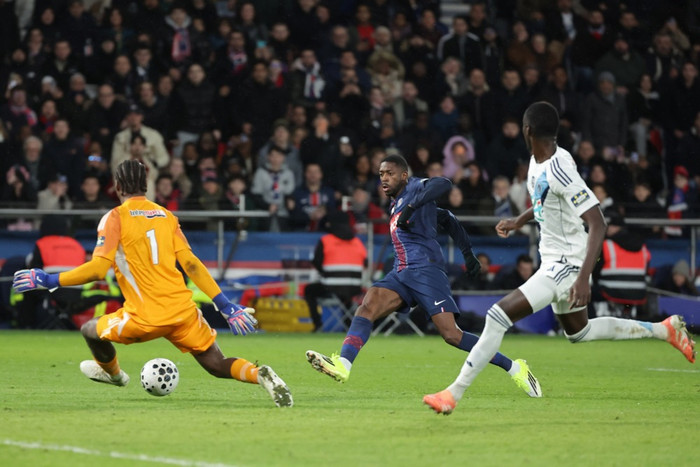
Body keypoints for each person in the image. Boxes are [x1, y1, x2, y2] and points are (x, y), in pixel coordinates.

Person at [423, 102, 696, 415]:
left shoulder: (560, 168)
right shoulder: (539, 161)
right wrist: (518, 221)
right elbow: (545, 200)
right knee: (580, 332)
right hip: (555, 260)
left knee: (497, 316)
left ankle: (453, 393)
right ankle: (665, 329)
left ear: (527, 130)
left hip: (567, 264)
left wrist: (583, 278)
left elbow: (597, 222)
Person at [12, 160, 292, 408]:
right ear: (146, 185)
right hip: (182, 311)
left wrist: (49, 279)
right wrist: (225, 305)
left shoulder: (115, 217)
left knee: (90, 331)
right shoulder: (166, 216)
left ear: (117, 186)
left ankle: (114, 376)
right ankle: (260, 374)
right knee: (217, 364)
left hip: (143, 317)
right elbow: (191, 264)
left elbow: (97, 270)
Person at [305, 154, 541, 397]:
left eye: (390, 174)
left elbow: (444, 183)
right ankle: (343, 365)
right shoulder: (395, 204)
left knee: (452, 335)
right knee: (367, 306)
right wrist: (467, 252)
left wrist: (464, 249)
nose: (384, 178)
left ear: (404, 176)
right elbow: (446, 218)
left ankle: (514, 367)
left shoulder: (416, 187)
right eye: (381, 174)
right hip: (401, 273)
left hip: (426, 271)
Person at [304, 212, 367, 332]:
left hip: (331, 287)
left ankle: (317, 325)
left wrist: (325, 273)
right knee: (346, 295)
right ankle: (348, 324)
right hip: (354, 288)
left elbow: (317, 262)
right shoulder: (357, 242)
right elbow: (365, 263)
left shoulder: (326, 240)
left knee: (309, 290)